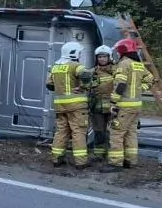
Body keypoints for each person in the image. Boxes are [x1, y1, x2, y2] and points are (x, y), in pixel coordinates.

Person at [105, 37, 156, 170]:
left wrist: (113, 102)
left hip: (124, 105)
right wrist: (140, 89)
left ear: (122, 51)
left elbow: (120, 84)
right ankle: (130, 161)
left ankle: (115, 163)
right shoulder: (139, 65)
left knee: (116, 133)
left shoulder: (124, 64)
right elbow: (151, 79)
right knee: (131, 134)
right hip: (136, 105)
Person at [45, 40, 93, 167]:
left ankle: (57, 159)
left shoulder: (55, 66)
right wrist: (84, 87)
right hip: (76, 106)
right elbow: (86, 74)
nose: (80, 55)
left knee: (61, 132)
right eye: (79, 53)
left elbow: (49, 85)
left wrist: (61, 88)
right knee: (78, 132)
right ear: (74, 53)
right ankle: (81, 162)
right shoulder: (75, 65)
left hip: (60, 106)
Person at [87, 45, 117, 159]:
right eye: (99, 57)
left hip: (113, 107)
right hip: (97, 108)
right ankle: (99, 155)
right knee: (99, 131)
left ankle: (113, 155)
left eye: (104, 56)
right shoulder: (92, 72)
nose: (102, 59)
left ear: (109, 57)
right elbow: (86, 88)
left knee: (113, 132)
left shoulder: (117, 70)